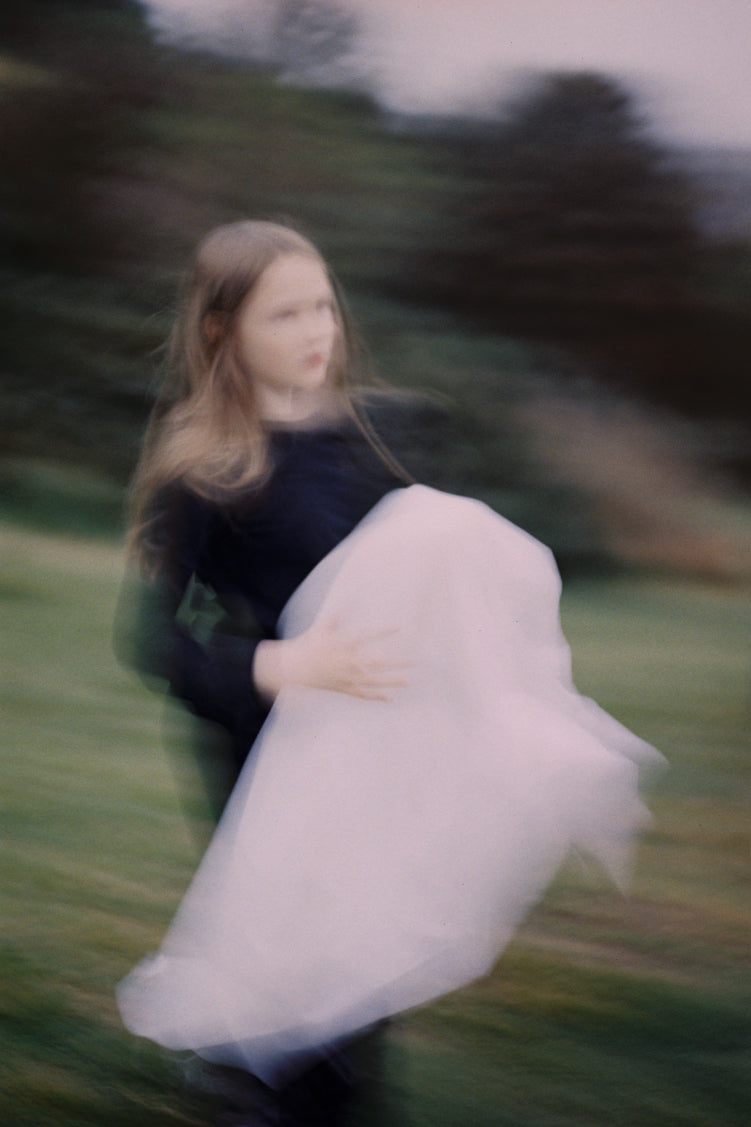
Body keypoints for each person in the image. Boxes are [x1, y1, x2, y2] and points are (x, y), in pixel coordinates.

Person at [116, 219, 661, 1126]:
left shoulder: (379, 431)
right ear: (221, 331)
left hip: (380, 739)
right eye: (284, 313)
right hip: (261, 741)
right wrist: (280, 662)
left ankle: (302, 1091)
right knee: (286, 951)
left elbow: (428, 568)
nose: (316, 329)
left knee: (361, 958)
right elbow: (155, 641)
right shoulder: (207, 459)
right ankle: (248, 1090)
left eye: (322, 304)